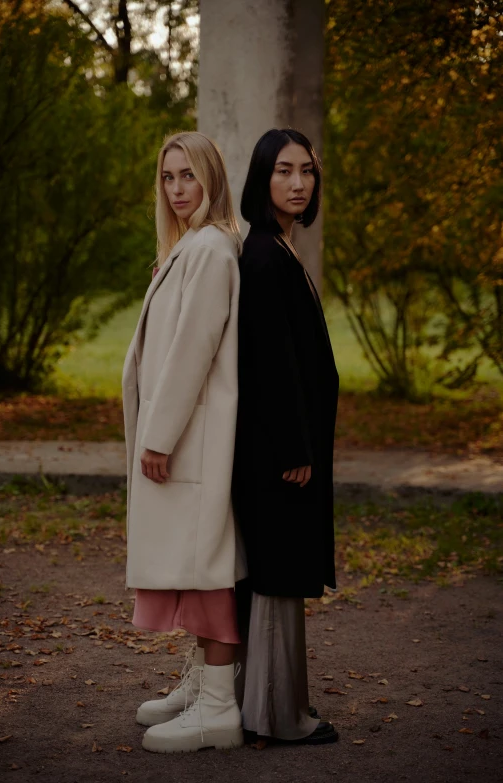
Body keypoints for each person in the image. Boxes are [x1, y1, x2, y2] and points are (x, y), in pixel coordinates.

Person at [122, 131, 247, 754]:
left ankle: (219, 707)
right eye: (168, 177)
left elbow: (192, 352)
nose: (177, 189)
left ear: (212, 180)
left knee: (208, 571)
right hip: (184, 438)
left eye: (189, 176)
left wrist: (159, 436)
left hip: (194, 439)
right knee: (193, 568)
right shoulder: (189, 247)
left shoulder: (212, 251)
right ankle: (203, 685)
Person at [232, 128, 340, 745]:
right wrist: (294, 448)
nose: (298, 183)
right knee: (276, 573)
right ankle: (275, 718)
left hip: (283, 449)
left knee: (281, 572)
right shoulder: (265, 255)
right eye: (283, 171)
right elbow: (269, 362)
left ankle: (272, 709)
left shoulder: (277, 248)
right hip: (279, 454)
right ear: (261, 179)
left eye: (307, 171)